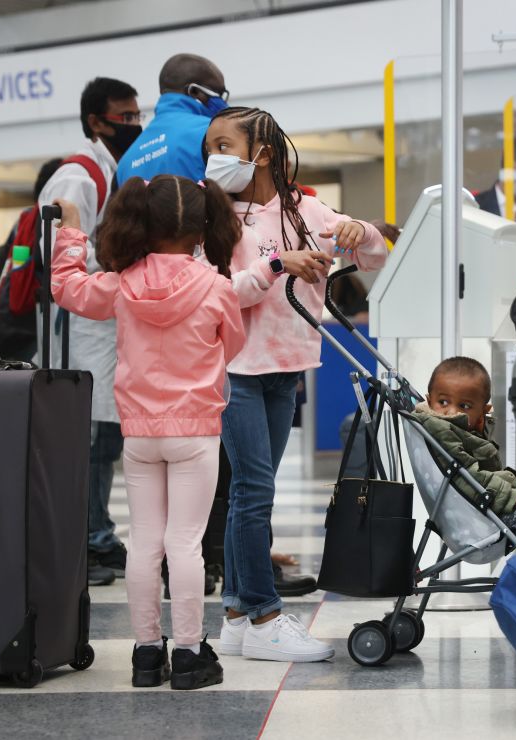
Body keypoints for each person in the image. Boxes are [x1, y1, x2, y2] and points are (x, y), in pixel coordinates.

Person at [204, 106, 388, 662]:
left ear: (264, 152)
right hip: (235, 369)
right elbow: (217, 293)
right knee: (253, 491)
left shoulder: (306, 207)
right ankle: (263, 615)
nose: (216, 156)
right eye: (211, 145)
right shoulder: (212, 216)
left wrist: (361, 231)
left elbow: (373, 254)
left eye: (226, 144)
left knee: (248, 492)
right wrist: (281, 264)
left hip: (286, 369)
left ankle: (237, 614)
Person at [49, 175, 246, 690]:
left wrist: (70, 232)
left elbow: (66, 289)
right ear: (203, 227)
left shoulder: (121, 283)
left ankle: (144, 654)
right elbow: (234, 346)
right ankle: (186, 655)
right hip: (195, 430)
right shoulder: (217, 287)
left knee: (143, 542)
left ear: (140, 221)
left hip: (138, 433)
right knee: (185, 543)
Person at [37, 77, 143, 587]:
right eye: (124, 117)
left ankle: (96, 531)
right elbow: (52, 256)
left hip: (97, 321)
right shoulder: (76, 178)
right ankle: (87, 539)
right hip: (77, 324)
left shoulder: (108, 170)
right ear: (96, 121)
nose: (133, 125)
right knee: (91, 434)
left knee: (103, 433)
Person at [413, 357, 516, 531]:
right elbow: (466, 479)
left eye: (464, 405)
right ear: (429, 399)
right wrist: (512, 495)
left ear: (482, 412)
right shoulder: (439, 430)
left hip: (485, 503)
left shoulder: (457, 430)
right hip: (476, 516)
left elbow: (481, 470)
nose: (452, 411)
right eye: (443, 402)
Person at [116, 54, 228, 185]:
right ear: (195, 92)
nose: (222, 101)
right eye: (218, 93)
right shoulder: (215, 132)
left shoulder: (125, 163)